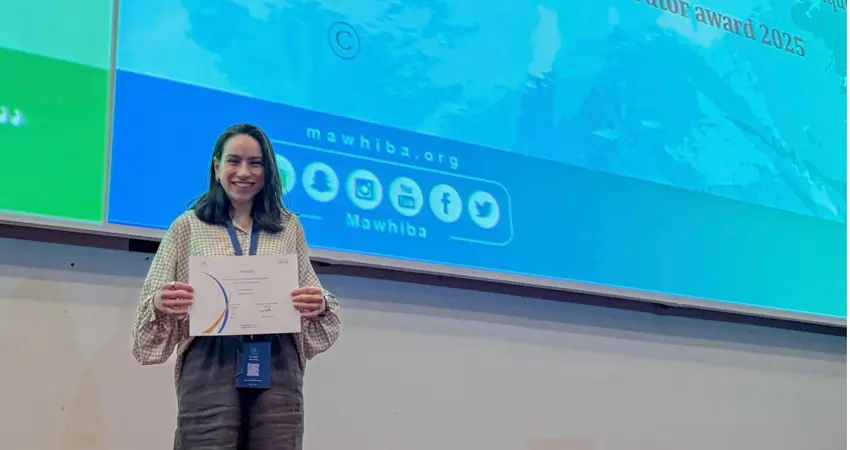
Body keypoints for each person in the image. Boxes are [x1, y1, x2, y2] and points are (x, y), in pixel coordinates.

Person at [131, 123, 341, 450]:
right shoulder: (188, 226)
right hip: (209, 362)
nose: (244, 172)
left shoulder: (288, 227)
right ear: (217, 168)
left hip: (277, 362)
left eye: (255, 163)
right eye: (234, 161)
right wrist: (161, 302)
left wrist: (319, 304)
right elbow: (146, 335)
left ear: (268, 170)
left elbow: (312, 297)